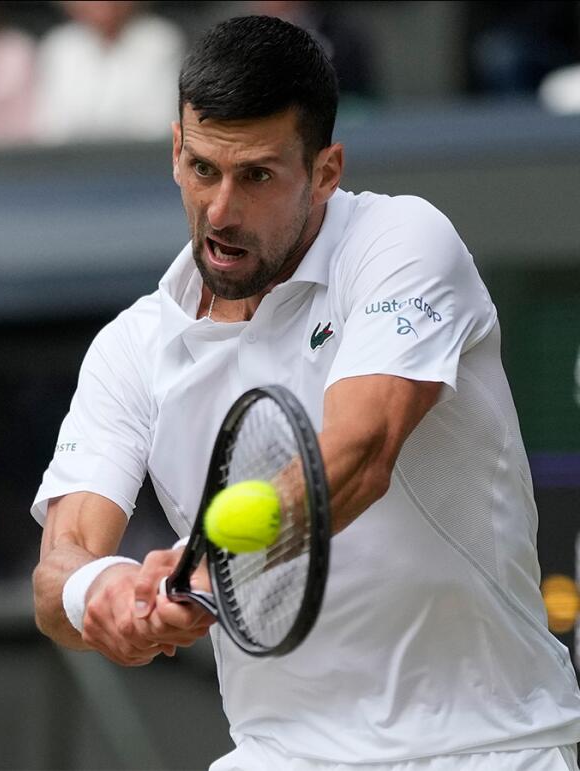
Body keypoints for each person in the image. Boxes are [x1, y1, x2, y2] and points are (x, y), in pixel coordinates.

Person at [31, 15, 580, 770]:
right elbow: (58, 563)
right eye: (201, 169)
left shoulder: (403, 241)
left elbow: (355, 457)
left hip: (488, 744)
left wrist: (199, 572)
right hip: (279, 754)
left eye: (256, 175)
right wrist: (101, 592)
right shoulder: (130, 348)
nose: (220, 211)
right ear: (174, 151)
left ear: (326, 170)